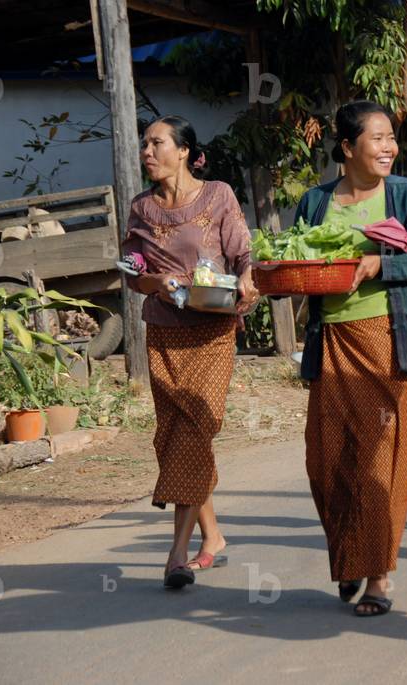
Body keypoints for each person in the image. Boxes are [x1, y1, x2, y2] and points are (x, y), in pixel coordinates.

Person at [296, 100, 407, 616]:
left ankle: (379, 576)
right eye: (377, 138)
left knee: (382, 463)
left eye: (391, 138)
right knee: (327, 462)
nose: (389, 148)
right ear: (347, 147)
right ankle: (350, 558)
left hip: (393, 344)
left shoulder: (406, 195)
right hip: (332, 344)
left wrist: (381, 265)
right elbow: (298, 259)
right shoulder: (315, 202)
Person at [121, 115, 259, 589]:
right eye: (144, 144)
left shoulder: (218, 194)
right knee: (176, 436)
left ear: (183, 151)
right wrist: (154, 281)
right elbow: (131, 270)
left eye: (156, 143)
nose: (147, 152)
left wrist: (247, 277)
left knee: (195, 429)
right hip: (164, 333)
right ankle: (212, 536)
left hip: (214, 329)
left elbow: (243, 253)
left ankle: (176, 554)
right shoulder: (140, 208)